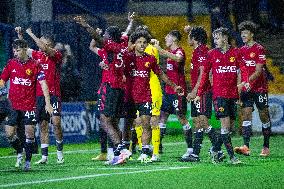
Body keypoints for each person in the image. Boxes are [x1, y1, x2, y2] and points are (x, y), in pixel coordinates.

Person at [74, 14, 133, 165]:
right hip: (120, 87)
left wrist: (86, 25)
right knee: (112, 122)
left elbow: (97, 40)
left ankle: (121, 150)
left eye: (106, 35)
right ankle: (117, 156)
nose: (104, 37)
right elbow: (94, 45)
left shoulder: (111, 46)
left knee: (104, 121)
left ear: (110, 38)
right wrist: (130, 22)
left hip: (110, 86)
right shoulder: (122, 44)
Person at [124, 30, 184, 163]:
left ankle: (145, 152)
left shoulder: (150, 59)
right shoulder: (128, 58)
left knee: (147, 123)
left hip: (145, 96)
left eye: (144, 42)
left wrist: (174, 86)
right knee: (134, 123)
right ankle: (124, 149)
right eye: (139, 42)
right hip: (130, 97)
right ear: (134, 43)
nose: (142, 45)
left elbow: (161, 74)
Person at [0, 39, 53, 171]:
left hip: (29, 106)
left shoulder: (35, 65)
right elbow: (2, 79)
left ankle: (27, 162)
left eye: (17, 50)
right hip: (13, 105)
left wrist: (48, 103)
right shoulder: (11, 64)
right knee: (9, 134)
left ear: (24, 49)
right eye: (14, 51)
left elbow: (43, 84)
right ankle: (19, 151)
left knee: (29, 133)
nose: (15, 53)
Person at [15, 27, 65, 165]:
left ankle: (60, 152)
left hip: (53, 94)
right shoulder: (37, 56)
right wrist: (20, 36)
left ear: (50, 45)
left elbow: (41, 46)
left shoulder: (56, 55)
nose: (40, 45)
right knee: (43, 125)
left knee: (56, 123)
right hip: (39, 95)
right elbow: (23, 50)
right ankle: (44, 156)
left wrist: (31, 33)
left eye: (44, 43)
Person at [194, 27, 242, 164]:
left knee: (229, 127)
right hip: (219, 95)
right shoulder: (211, 54)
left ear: (225, 38)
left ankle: (215, 149)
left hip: (232, 94)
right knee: (225, 126)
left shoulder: (236, 53)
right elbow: (204, 76)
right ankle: (232, 157)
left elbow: (242, 69)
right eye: (214, 38)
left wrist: (244, 82)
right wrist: (199, 93)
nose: (215, 41)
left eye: (217, 38)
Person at [181, 25, 220, 162]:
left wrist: (194, 91)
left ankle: (218, 147)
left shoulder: (202, 51)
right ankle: (195, 154)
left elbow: (203, 73)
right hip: (199, 91)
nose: (187, 39)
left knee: (203, 120)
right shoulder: (197, 51)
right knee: (197, 121)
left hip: (203, 91)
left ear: (195, 39)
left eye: (189, 36)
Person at [152, 30, 193, 159]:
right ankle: (158, 147)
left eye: (168, 36)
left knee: (182, 118)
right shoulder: (170, 53)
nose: (165, 38)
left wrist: (160, 50)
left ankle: (190, 149)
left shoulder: (179, 51)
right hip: (169, 91)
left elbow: (179, 58)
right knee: (162, 117)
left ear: (174, 39)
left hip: (179, 92)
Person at [234, 21, 272, 157]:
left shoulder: (259, 49)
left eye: (245, 33)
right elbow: (239, 71)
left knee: (264, 115)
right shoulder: (240, 51)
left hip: (259, 88)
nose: (243, 35)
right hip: (246, 88)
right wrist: (239, 88)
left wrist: (247, 81)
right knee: (246, 114)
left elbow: (259, 70)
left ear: (252, 34)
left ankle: (266, 146)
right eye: (241, 33)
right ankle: (246, 147)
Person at [130, 25, 163, 161]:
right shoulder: (132, 53)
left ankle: (155, 152)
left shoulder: (151, 49)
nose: (141, 43)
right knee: (137, 122)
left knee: (152, 121)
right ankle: (144, 149)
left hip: (152, 88)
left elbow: (158, 70)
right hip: (137, 91)